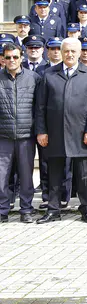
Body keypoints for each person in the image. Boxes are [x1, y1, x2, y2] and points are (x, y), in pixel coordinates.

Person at [36, 38, 87, 223]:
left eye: (73, 51)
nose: (69, 54)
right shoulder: (49, 74)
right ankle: (53, 209)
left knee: (84, 174)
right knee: (55, 174)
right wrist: (41, 131)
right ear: (61, 53)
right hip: (55, 133)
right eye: (66, 51)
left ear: (80, 53)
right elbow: (40, 106)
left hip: (81, 134)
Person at [0, 44, 41, 223]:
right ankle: (2, 210)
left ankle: (26, 209)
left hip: (26, 136)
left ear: (21, 57)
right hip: (3, 136)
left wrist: (40, 132)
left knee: (26, 175)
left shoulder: (34, 78)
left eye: (15, 57)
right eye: (8, 57)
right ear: (3, 59)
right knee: (1, 176)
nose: (12, 61)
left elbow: (39, 108)